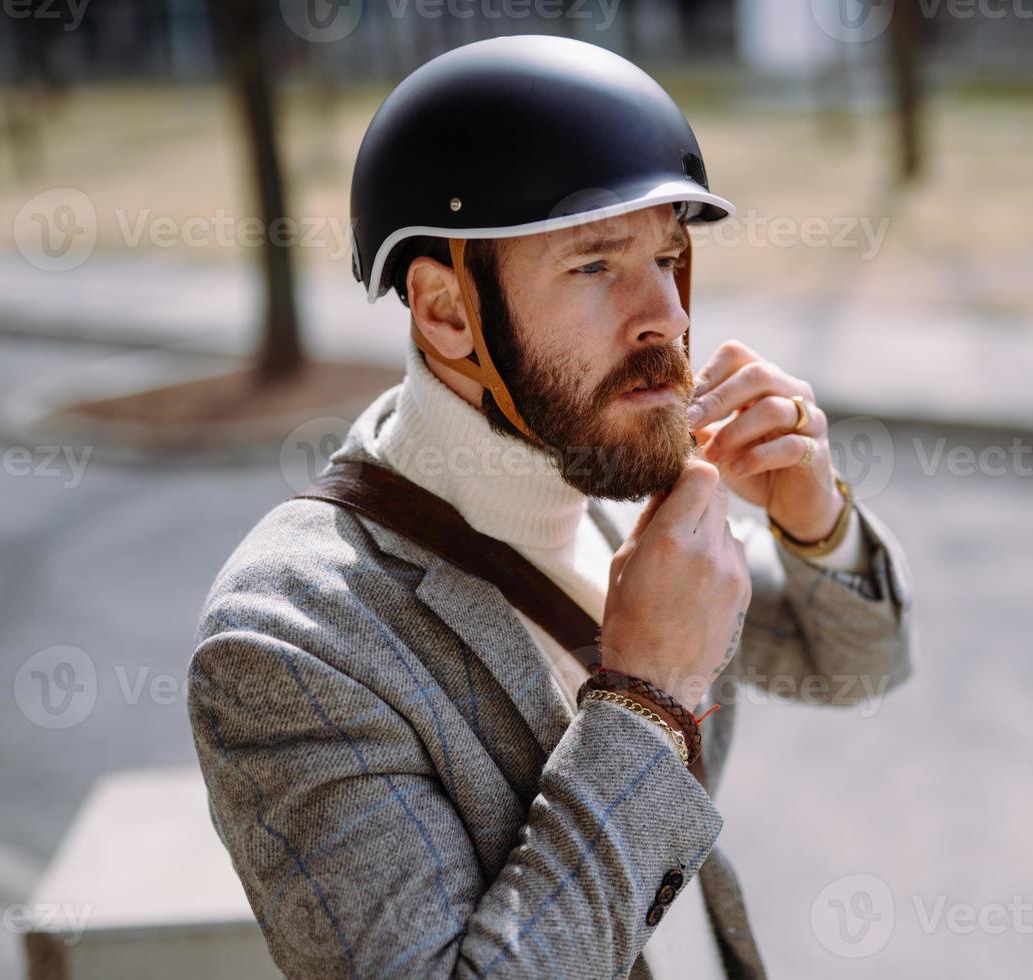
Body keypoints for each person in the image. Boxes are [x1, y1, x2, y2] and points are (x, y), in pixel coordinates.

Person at [186, 35, 915, 980]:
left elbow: (855, 667)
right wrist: (647, 698)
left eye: (669, 254)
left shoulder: (614, 478)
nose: (669, 317)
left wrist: (816, 522)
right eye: (595, 266)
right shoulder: (287, 644)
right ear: (446, 310)